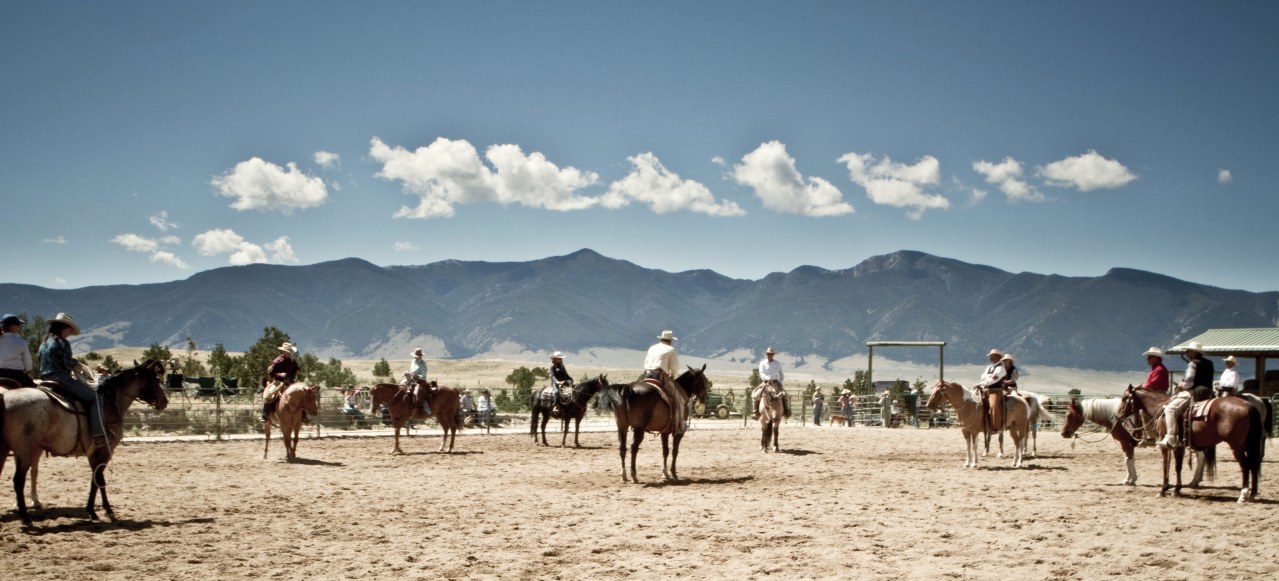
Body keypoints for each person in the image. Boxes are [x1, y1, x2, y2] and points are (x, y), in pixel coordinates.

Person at [37, 313, 108, 449]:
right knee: (96, 398)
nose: (70, 333)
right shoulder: (62, 343)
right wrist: (77, 364)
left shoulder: (43, 343)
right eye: (70, 329)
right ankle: (98, 435)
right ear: (65, 328)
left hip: (44, 379)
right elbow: (67, 363)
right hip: (61, 379)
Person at [1160, 342, 1215, 448]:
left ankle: (1171, 438)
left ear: (1194, 352)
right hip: (1208, 392)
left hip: (1194, 392)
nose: (1187, 353)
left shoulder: (1193, 364)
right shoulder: (1209, 363)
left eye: (1189, 351)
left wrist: (1180, 384)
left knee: (1170, 409)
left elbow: (1189, 383)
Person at [643, 330, 686, 433]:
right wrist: (673, 376)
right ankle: (679, 424)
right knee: (678, 398)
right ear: (671, 341)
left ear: (661, 339)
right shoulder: (671, 350)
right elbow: (674, 367)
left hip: (647, 375)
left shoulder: (652, 347)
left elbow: (646, 362)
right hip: (660, 377)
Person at [1132, 347, 1169, 445]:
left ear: (1156, 358)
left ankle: (1150, 436)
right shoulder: (1156, 369)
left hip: (1158, 395)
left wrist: (1140, 387)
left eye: (1150, 357)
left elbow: (1151, 385)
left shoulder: (1159, 369)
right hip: (1155, 393)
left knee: (1143, 410)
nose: (1147, 359)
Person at [262, 342, 301, 422]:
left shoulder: (292, 361)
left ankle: (303, 415)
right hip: (278, 382)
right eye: (289, 351)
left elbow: (296, 368)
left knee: (301, 394)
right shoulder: (277, 361)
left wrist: (297, 370)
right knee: (269, 395)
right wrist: (280, 375)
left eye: (291, 352)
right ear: (284, 352)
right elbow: (270, 373)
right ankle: (265, 415)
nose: (290, 353)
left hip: (291, 381)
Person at [752, 347, 790, 419]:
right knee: (756, 395)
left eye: (771, 354)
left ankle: (786, 411)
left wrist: (780, 383)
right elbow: (761, 373)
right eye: (768, 354)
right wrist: (767, 378)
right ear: (766, 354)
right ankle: (755, 412)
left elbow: (781, 374)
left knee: (785, 395)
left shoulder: (777, 363)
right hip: (765, 382)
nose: (769, 355)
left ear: (773, 355)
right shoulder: (762, 363)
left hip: (776, 382)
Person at [0, 314, 36, 386]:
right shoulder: (21, 341)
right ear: (12, 326)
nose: (19, 327)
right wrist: (29, 370)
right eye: (18, 324)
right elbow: (27, 362)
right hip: (16, 375)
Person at [405, 347, 431, 416]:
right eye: (416, 356)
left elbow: (424, 375)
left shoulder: (423, 364)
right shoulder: (413, 361)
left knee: (418, 393)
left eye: (418, 356)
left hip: (420, 381)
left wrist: (416, 376)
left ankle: (426, 408)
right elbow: (411, 371)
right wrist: (408, 373)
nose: (417, 357)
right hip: (411, 379)